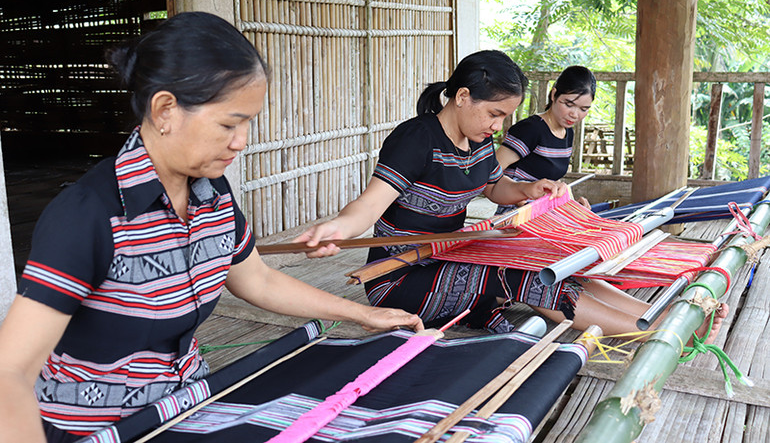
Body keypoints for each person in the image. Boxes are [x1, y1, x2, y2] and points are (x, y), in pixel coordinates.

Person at [0, 12, 422, 443]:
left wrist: (363, 313)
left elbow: (255, 279)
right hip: (97, 429)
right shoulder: (90, 214)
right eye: (228, 124)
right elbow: (9, 372)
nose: (240, 141)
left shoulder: (212, 194)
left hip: (187, 406)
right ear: (165, 109)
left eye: (247, 124)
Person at [294, 50, 728, 342]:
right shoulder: (416, 139)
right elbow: (368, 207)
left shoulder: (478, 141)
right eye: (495, 113)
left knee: (550, 262)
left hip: (451, 253)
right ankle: (663, 330)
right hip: (400, 275)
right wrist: (337, 228)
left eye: (505, 116)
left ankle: (673, 310)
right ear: (463, 97)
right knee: (520, 275)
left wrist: (527, 190)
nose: (498, 125)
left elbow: (490, 187)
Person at [495, 65, 595, 212]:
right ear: (554, 94)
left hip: (545, 212)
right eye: (569, 104)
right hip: (517, 214)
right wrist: (522, 200)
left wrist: (571, 204)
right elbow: (492, 169)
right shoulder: (531, 129)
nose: (575, 114)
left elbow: (551, 182)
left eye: (583, 109)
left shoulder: (568, 133)